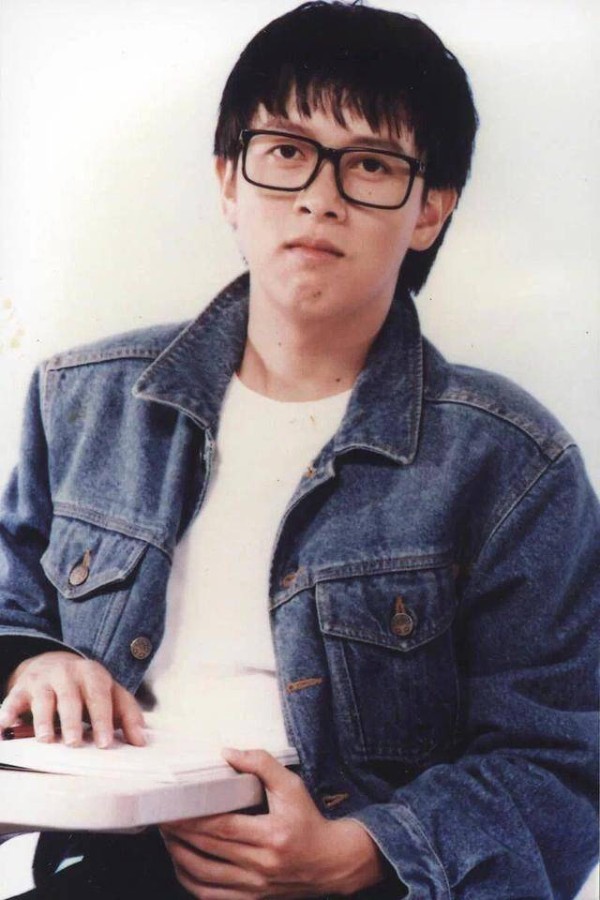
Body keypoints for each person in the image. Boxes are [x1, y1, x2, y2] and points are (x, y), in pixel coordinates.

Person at [0, 1, 598, 897]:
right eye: (285, 151)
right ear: (228, 180)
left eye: (371, 165)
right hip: (103, 873)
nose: (321, 197)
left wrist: (362, 853)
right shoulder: (82, 400)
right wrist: (30, 658)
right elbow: (12, 597)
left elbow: (562, 765)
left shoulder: (512, 462)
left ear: (430, 209)